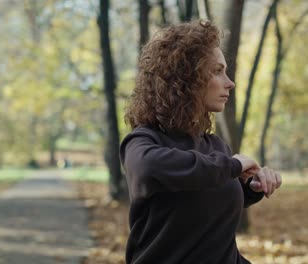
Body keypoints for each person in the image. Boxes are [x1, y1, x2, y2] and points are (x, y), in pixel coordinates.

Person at [120, 20, 282, 264]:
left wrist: (251, 187)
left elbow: (206, 209)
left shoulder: (215, 147)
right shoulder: (143, 143)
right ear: (185, 78)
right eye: (217, 71)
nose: (230, 82)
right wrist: (233, 167)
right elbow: (149, 168)